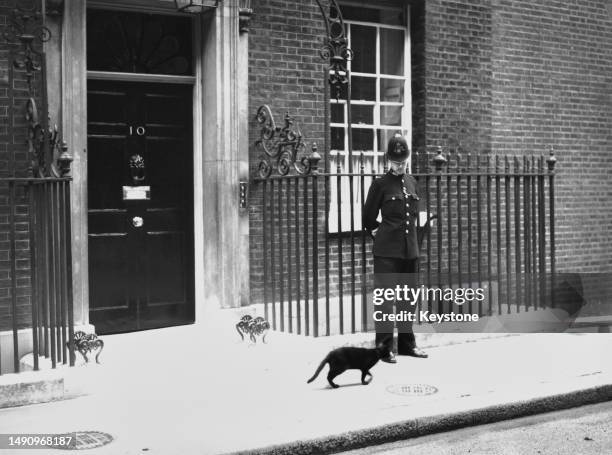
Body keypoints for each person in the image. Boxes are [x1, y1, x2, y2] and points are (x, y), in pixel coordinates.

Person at [362, 134, 432, 363]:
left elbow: (413, 216)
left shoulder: (412, 182)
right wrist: (380, 235)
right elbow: (368, 218)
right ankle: (384, 347)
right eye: (395, 162)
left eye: (402, 162)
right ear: (388, 160)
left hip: (409, 251)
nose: (399, 165)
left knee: (408, 299)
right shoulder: (380, 185)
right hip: (386, 253)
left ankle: (406, 344)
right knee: (385, 299)